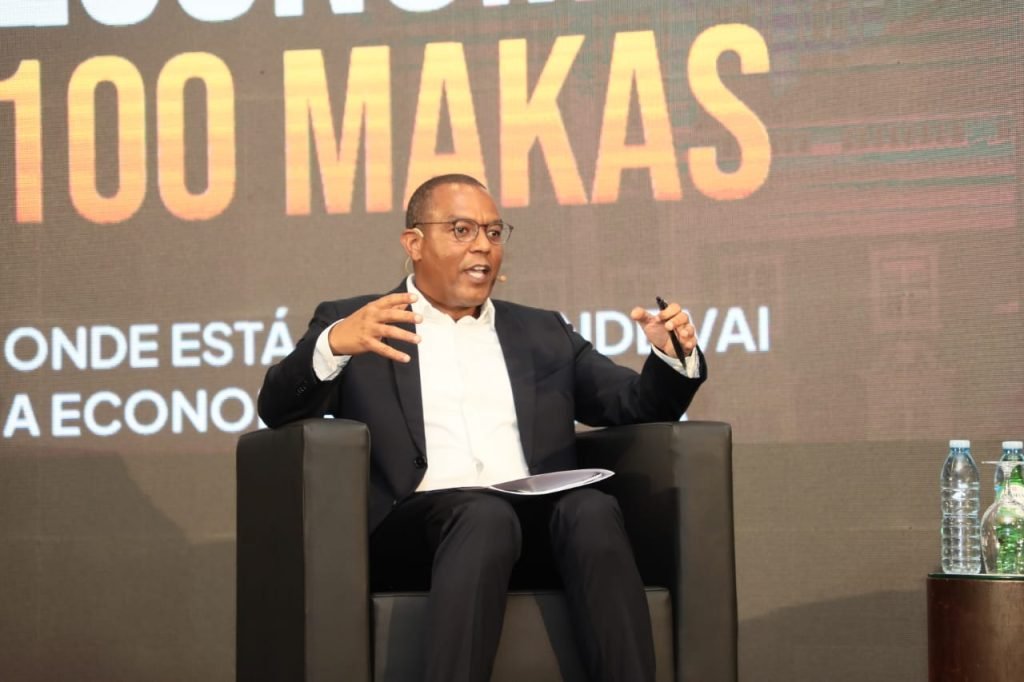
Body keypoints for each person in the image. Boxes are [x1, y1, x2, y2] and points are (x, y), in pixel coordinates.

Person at [258, 174, 706, 682]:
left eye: (493, 232)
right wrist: (334, 345)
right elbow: (276, 408)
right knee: (481, 515)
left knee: (592, 509)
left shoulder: (542, 331)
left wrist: (671, 358)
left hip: (534, 529)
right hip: (416, 534)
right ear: (414, 243)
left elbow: (632, 403)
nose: (483, 246)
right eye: (462, 230)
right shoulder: (360, 323)